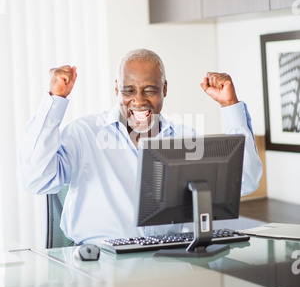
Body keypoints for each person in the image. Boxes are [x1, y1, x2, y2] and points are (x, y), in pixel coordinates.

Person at [19, 49, 262, 245]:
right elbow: (36, 179)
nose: (138, 101)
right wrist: (54, 100)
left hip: (164, 260)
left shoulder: (185, 139)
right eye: (129, 90)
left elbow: (246, 181)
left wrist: (230, 106)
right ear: (117, 89)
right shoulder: (84, 134)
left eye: (150, 90)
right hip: (99, 263)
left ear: (164, 89)